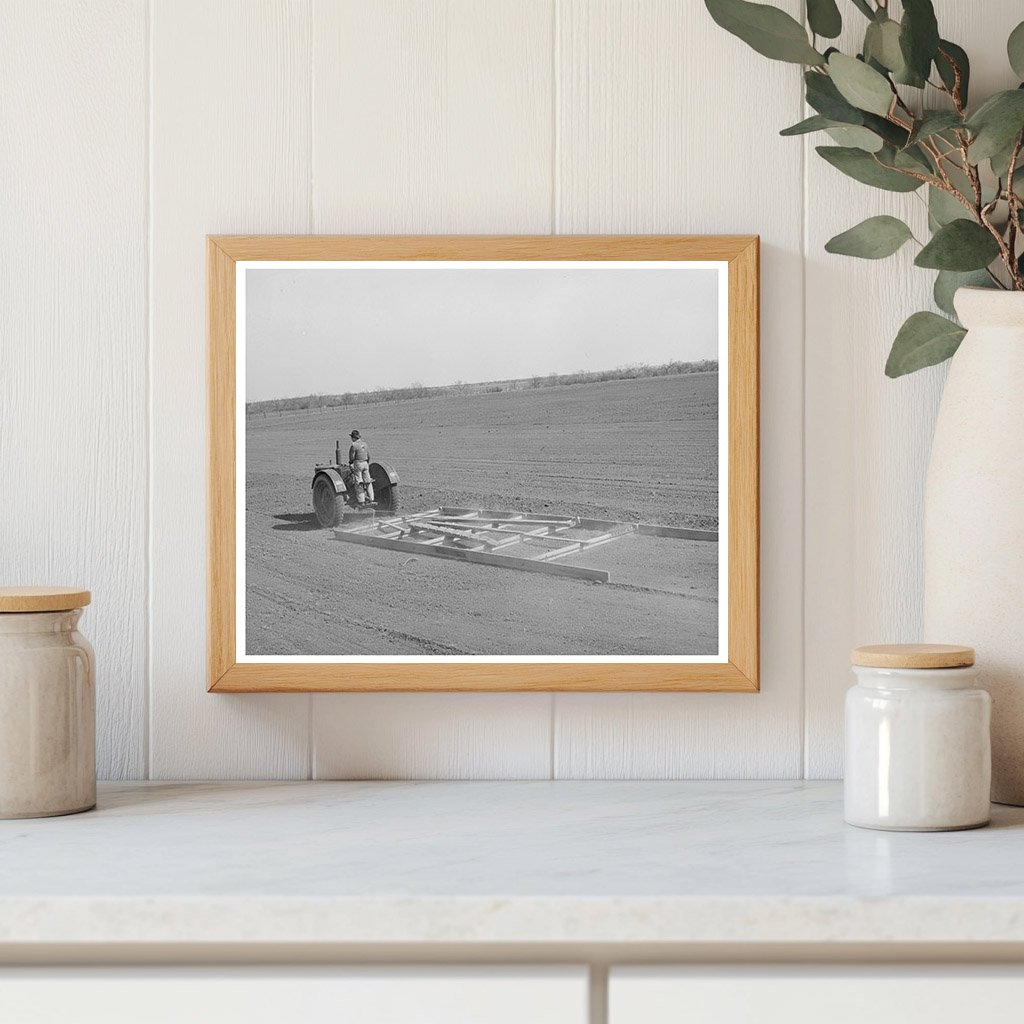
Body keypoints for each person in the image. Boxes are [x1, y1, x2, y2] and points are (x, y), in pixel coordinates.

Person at [348, 429, 375, 505]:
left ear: (353, 437)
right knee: (368, 482)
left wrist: (351, 463)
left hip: (358, 463)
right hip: (365, 463)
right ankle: (371, 499)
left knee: (359, 482)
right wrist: (367, 463)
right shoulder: (365, 444)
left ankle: (361, 501)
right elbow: (369, 455)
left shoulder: (354, 445)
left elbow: (352, 457)